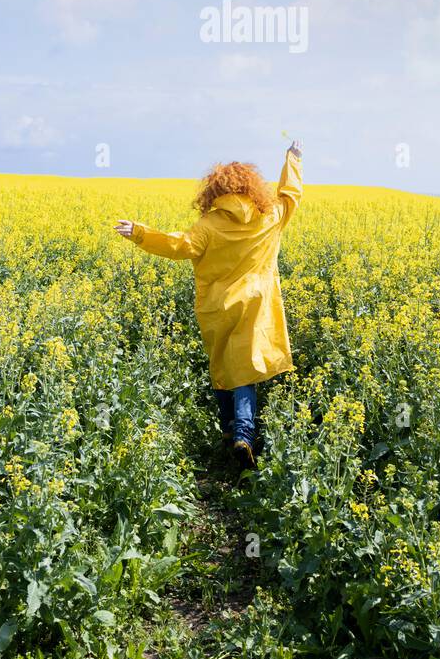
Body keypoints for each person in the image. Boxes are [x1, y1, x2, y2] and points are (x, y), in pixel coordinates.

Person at [115, 140, 303, 467]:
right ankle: (244, 436)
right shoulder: (270, 215)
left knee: (222, 366)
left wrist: (140, 233)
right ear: (252, 187)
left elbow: (179, 246)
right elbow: (290, 196)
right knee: (245, 369)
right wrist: (293, 159)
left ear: (215, 191)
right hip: (257, 306)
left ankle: (229, 430)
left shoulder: (210, 225)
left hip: (219, 307)